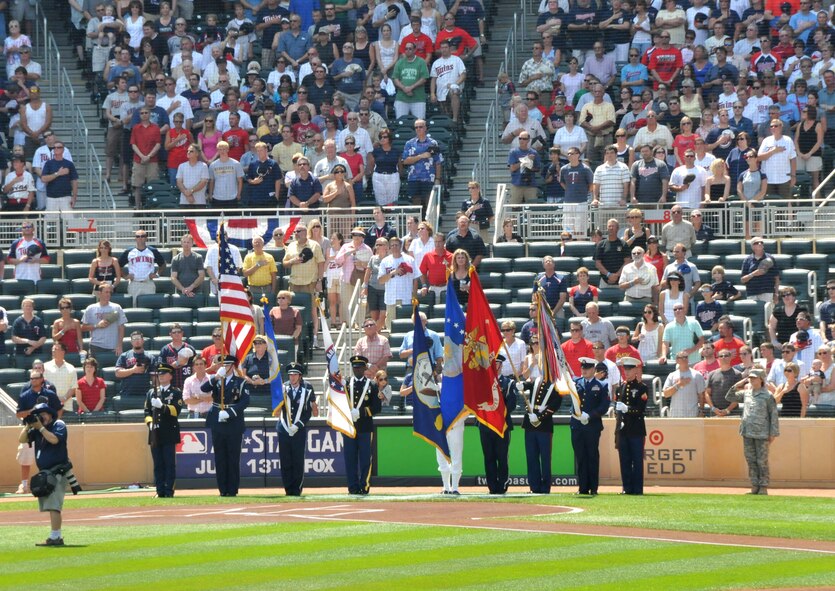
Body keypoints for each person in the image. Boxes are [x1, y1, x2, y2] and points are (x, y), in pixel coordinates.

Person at [19, 402, 71, 546]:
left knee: (54, 505)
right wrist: (29, 425)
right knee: (50, 505)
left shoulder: (58, 424)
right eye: (38, 415)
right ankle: (54, 536)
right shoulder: (37, 430)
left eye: (43, 414)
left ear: (49, 414)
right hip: (45, 473)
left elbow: (54, 440)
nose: (41, 417)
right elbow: (22, 440)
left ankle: (56, 537)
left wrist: (40, 427)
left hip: (58, 471)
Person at [201, 355, 250, 497]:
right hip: (217, 421)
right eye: (222, 364)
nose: (224, 367)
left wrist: (230, 412)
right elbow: (203, 388)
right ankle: (223, 489)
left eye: (227, 365)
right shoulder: (217, 380)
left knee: (233, 457)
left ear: (233, 366)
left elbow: (245, 402)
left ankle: (232, 489)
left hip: (233, 422)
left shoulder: (240, 382)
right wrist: (216, 377)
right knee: (220, 457)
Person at [726, 368, 779, 495]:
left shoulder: (767, 396)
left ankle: (763, 486)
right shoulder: (746, 393)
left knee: (762, 460)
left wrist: (773, 433)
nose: (751, 379)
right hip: (747, 432)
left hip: (762, 432)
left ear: (761, 379)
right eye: (750, 377)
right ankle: (754, 485)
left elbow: (773, 415)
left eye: (754, 377)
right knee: (750, 459)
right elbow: (729, 397)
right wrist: (738, 384)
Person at [480, 354, 518, 494]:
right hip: (485, 425)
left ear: (501, 365)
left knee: (502, 456)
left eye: (496, 363)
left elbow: (512, 404)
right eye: (491, 363)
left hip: (502, 425)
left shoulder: (508, 383)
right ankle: (492, 486)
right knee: (488, 456)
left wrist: (497, 414)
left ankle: (502, 485)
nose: (494, 366)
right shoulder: (482, 382)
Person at [571, 357, 610, 495]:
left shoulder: (601, 385)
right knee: (580, 456)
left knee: (592, 456)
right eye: (582, 368)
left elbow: (604, 406)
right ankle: (582, 487)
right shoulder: (575, 383)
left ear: (593, 369)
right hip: (577, 425)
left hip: (592, 426)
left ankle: (593, 487)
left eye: (587, 368)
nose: (584, 371)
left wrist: (590, 415)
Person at [144, 363, 183, 498]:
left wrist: (163, 406)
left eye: (164, 373)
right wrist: (150, 423)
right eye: (159, 374)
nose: (160, 376)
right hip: (155, 433)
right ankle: (159, 490)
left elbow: (176, 411)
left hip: (168, 432)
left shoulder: (175, 392)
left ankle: (169, 490)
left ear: (170, 376)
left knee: (169, 463)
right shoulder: (151, 392)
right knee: (158, 463)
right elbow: (147, 411)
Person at [276, 361, 315, 496]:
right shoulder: (283, 388)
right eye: (290, 375)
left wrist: (298, 425)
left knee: (298, 461)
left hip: (298, 431)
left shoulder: (307, 389)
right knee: (285, 460)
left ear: (300, 376)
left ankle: (296, 489)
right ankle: (288, 489)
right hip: (284, 429)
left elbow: (308, 413)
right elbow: (277, 408)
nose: (292, 377)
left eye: (295, 375)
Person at [345, 355, 381, 494]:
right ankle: (352, 487)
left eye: (360, 367)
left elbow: (377, 407)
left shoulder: (371, 385)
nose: (357, 370)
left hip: (365, 427)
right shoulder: (347, 384)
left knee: (365, 458)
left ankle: (364, 486)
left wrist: (361, 412)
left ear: (365, 368)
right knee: (350, 458)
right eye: (355, 367)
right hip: (349, 428)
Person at [521, 371, 559, 494]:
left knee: (545, 458)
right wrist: (522, 385)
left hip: (544, 425)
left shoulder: (556, 383)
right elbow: (531, 389)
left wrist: (540, 417)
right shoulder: (537, 379)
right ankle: (534, 486)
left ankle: (545, 487)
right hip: (530, 423)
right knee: (531, 457)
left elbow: (555, 404)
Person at [614, 357, 648, 495]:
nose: (626, 372)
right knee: (625, 460)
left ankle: (637, 489)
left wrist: (627, 409)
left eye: (629, 369)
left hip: (636, 429)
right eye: (625, 369)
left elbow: (640, 408)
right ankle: (626, 487)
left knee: (637, 460)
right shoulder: (620, 388)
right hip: (623, 430)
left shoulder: (642, 388)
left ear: (635, 370)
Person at [119, 229, 167, 306]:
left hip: (148, 283)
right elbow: (118, 265)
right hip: (134, 283)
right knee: (134, 307)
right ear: (135, 238)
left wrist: (157, 274)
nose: (140, 238)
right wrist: (124, 276)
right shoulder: (129, 251)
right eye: (138, 236)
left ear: (146, 238)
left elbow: (163, 264)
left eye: (143, 236)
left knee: (149, 306)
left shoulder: (152, 251)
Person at [80, 283, 127, 356]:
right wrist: (97, 325)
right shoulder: (91, 308)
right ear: (99, 293)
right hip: (96, 346)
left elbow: (121, 327)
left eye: (110, 292)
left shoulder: (117, 307)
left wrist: (119, 345)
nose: (108, 294)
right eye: (106, 292)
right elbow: (83, 328)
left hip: (113, 346)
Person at [593, 218, 629, 288]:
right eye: (609, 226)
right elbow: (597, 263)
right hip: (604, 281)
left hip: (621, 281)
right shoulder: (601, 244)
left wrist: (616, 275)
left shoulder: (623, 244)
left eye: (613, 226)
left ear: (617, 228)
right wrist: (609, 275)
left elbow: (627, 262)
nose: (611, 228)